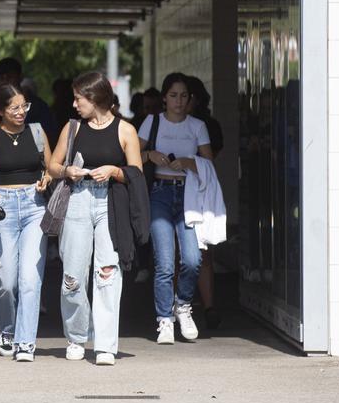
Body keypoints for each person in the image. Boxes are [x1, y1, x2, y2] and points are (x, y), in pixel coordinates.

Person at [49, 72, 143, 366]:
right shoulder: (72, 127)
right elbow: (52, 165)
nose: (75, 104)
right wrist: (67, 171)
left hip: (110, 202)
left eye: (79, 98)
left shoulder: (125, 130)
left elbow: (137, 172)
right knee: (73, 274)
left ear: (95, 98)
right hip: (77, 198)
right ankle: (76, 337)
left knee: (107, 273)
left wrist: (114, 171)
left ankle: (105, 344)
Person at [0, 84, 52, 362]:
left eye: (24, 106)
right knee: (5, 280)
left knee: (30, 279)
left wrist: (47, 179)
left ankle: (25, 342)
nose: (21, 112)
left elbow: (51, 167)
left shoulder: (37, 132)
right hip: (4, 207)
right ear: (1, 111)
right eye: (14, 108)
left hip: (34, 206)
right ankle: (6, 329)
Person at [139, 73, 215, 344]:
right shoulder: (153, 121)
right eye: (173, 95)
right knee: (164, 263)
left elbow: (208, 164)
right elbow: (133, 154)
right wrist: (150, 155)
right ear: (164, 98)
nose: (179, 101)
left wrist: (186, 161)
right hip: (159, 192)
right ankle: (164, 319)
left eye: (184, 96)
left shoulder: (197, 126)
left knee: (193, 260)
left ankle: (182, 305)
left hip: (189, 196)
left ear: (190, 99)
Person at [184, 76, 224, 329]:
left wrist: (190, 163)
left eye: (185, 96)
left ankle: (197, 305)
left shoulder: (203, 125)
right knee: (201, 253)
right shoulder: (210, 124)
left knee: (194, 253)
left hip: (198, 192)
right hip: (199, 190)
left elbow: (210, 159)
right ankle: (205, 305)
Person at [0, 57, 55, 140]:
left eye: (10, 77)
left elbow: (50, 136)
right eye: (1, 78)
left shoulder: (37, 106)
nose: (5, 81)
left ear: (20, 77)